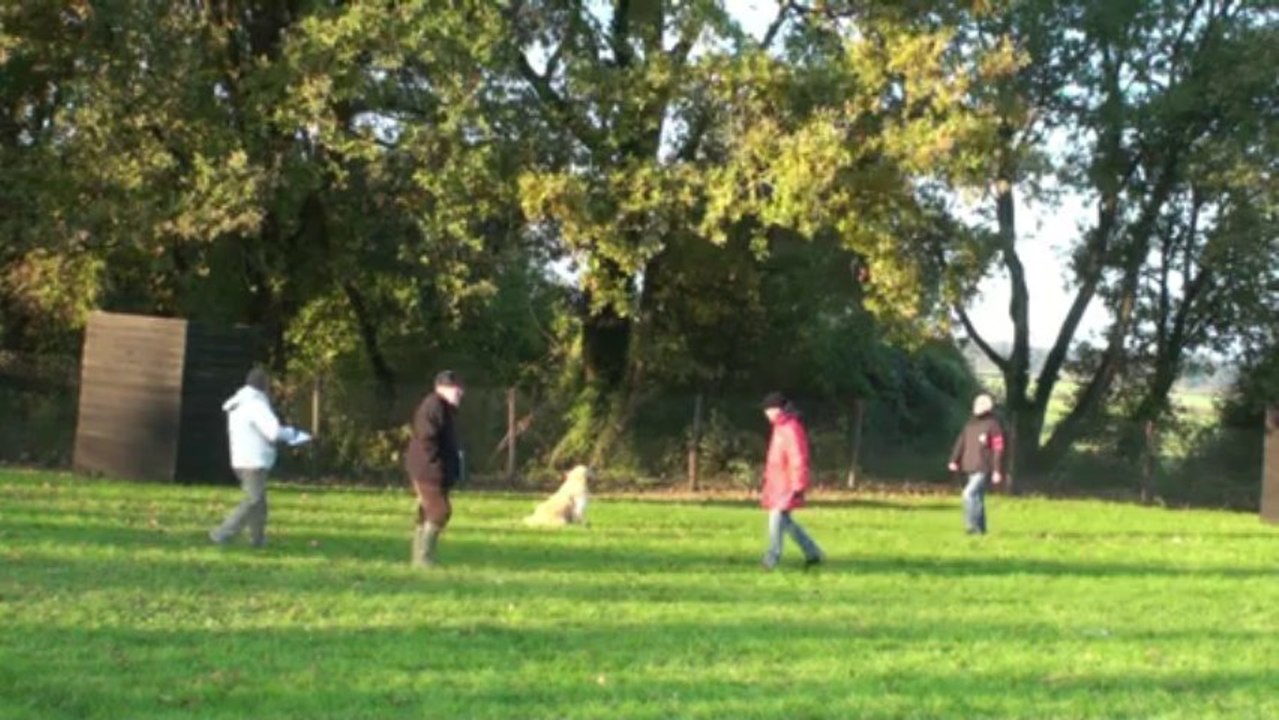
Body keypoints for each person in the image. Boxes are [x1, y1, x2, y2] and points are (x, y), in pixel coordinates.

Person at [210, 367, 305, 547]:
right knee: (254, 500)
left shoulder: (238, 403)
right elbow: (273, 431)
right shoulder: (256, 404)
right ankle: (221, 533)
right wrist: (293, 434)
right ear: (264, 385)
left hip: (239, 458)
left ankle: (258, 539)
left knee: (259, 502)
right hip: (254, 459)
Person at [405, 370, 464, 568]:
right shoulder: (434, 406)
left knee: (427, 511)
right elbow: (427, 437)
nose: (459, 393)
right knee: (440, 511)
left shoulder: (442, 407)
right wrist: (437, 462)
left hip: (429, 468)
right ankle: (424, 559)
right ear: (441, 389)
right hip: (428, 470)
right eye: (455, 389)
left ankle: (419, 558)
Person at [760, 392, 823, 570]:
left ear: (777, 409)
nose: (766, 414)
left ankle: (771, 559)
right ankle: (813, 552)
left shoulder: (790, 428)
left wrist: (798, 485)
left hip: (786, 484)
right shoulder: (780, 427)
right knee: (785, 522)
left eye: (768, 410)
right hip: (779, 483)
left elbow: (798, 458)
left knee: (776, 519)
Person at [947, 392, 1006, 535]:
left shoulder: (993, 425)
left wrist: (997, 470)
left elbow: (998, 448)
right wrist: (954, 460)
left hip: (983, 467)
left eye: (979, 404)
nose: (976, 407)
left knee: (968, 494)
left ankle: (971, 526)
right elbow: (961, 442)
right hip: (969, 465)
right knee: (977, 498)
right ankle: (980, 529)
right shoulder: (970, 424)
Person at [524, 465, 592, 528]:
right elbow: (578, 511)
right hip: (557, 517)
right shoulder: (580, 490)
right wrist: (583, 522)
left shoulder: (566, 486)